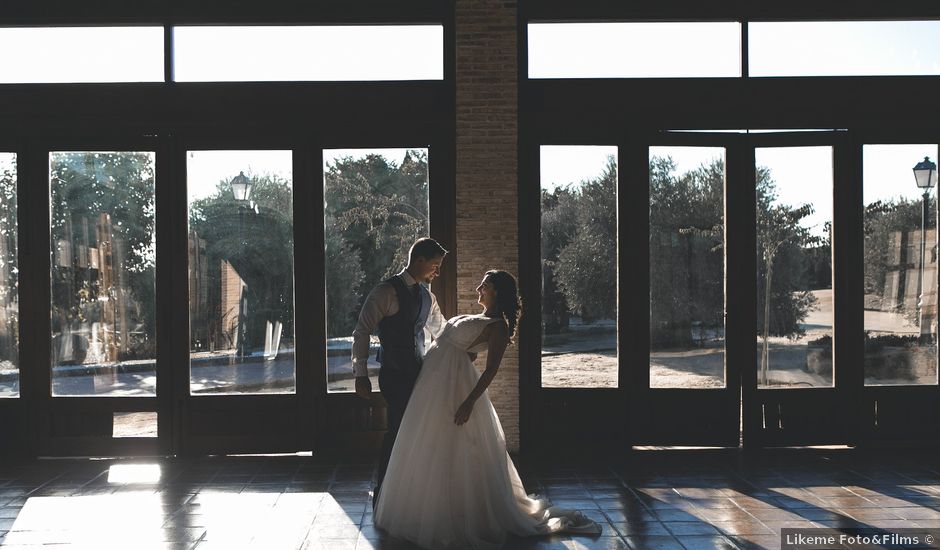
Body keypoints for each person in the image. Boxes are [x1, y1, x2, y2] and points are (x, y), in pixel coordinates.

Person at [375, 270, 601, 549]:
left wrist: (469, 401)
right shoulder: (479, 318)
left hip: (453, 388)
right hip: (433, 385)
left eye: (485, 284)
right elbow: (458, 346)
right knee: (428, 443)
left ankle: (456, 513)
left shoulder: (498, 326)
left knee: (455, 446)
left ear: (495, 290)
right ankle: (431, 505)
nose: (479, 287)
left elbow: (492, 369)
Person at [352, 237, 448, 509]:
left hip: (421, 374)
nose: (437, 272)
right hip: (394, 375)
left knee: (417, 431)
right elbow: (362, 330)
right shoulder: (385, 291)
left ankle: (412, 490)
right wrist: (361, 374)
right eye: (435, 265)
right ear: (418, 260)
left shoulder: (428, 297)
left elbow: (441, 331)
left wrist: (462, 347)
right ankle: (384, 493)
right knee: (397, 431)